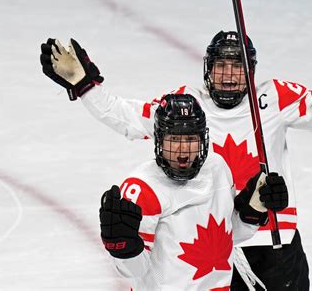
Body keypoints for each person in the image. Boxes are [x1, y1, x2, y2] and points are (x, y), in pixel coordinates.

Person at [40, 23, 312, 290]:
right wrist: (85, 85)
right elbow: (128, 117)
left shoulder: (274, 98)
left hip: (272, 241)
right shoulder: (186, 106)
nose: (230, 76)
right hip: (215, 251)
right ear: (207, 69)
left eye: (238, 67)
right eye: (222, 66)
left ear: (251, 71)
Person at [99, 93, 289, 290]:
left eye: (190, 138)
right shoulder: (142, 188)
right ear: (160, 140)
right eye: (173, 139)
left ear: (202, 140)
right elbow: (135, 271)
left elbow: (225, 239)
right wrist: (123, 248)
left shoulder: (218, 169)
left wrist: (252, 212)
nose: (182, 150)